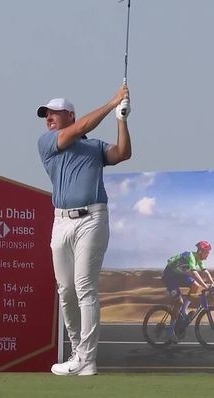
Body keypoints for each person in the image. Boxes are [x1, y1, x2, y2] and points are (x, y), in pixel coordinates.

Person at [37, 84, 131, 376]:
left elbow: (122, 153)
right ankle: (78, 352)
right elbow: (79, 129)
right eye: (46, 114)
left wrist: (121, 118)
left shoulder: (95, 147)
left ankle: (87, 358)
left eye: (54, 113)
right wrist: (111, 101)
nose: (48, 118)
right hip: (61, 221)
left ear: (70, 115)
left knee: (84, 286)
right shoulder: (48, 142)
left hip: (92, 218)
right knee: (65, 290)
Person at [163, 241, 214, 323]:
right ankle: (171, 329)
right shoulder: (191, 256)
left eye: (208, 252)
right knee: (179, 302)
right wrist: (206, 286)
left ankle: (183, 310)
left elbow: (205, 272)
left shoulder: (199, 259)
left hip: (179, 275)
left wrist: (213, 283)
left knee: (195, 285)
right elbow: (194, 274)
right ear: (200, 251)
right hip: (170, 276)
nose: (208, 254)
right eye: (206, 252)